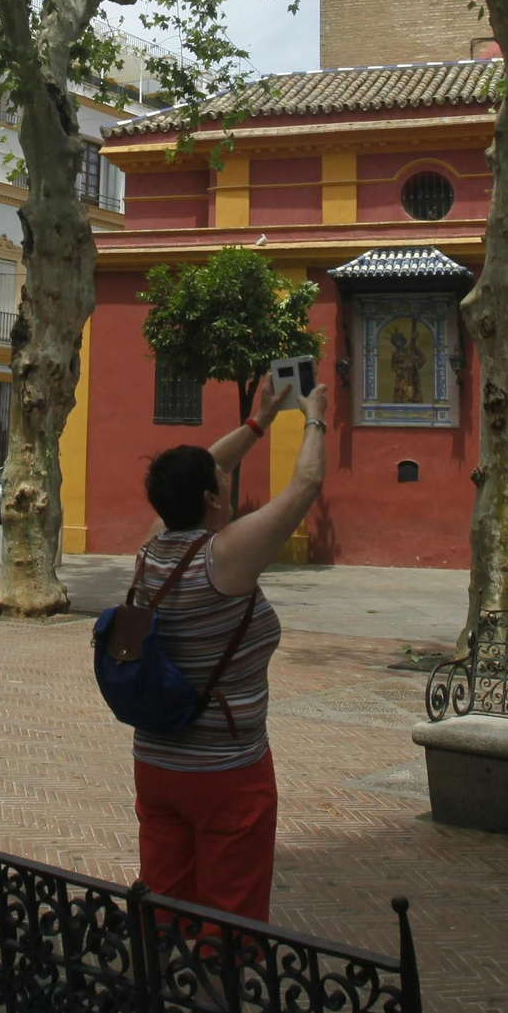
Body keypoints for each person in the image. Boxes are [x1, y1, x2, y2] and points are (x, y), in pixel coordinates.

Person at [131, 374, 328, 922]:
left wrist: (258, 423)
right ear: (212, 499)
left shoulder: (152, 549)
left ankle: (164, 995)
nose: (227, 476)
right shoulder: (225, 558)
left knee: (165, 902)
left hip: (156, 760)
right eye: (221, 478)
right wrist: (315, 415)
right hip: (225, 771)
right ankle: (221, 1001)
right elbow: (305, 485)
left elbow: (196, 469)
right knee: (230, 914)